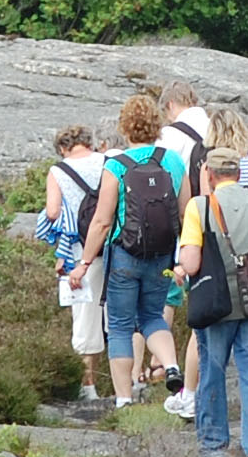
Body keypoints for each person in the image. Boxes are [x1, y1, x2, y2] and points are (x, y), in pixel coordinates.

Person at [177, 109, 248, 457]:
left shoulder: (199, 207)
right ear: (239, 172)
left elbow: (192, 263)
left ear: (208, 173)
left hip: (217, 304)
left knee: (212, 371)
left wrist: (181, 269)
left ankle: (213, 446)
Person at [75, 92, 185, 406]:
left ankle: (124, 399)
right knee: (153, 317)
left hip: (124, 255)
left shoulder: (116, 165)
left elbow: (102, 221)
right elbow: (185, 210)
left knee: (121, 325)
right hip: (163, 255)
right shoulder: (173, 161)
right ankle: (171, 365)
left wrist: (84, 262)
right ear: (157, 125)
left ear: (125, 127)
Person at [156, 82, 216, 418]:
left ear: (172, 104)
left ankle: (169, 370)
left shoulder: (170, 136)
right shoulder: (213, 126)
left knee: (175, 300)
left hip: (185, 228)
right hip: (220, 223)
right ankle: (203, 381)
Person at [41, 123, 112, 400]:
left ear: (62, 148)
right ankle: (130, 384)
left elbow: (52, 211)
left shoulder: (58, 171)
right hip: (115, 245)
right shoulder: (108, 162)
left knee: (85, 317)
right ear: (89, 142)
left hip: (80, 250)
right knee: (120, 315)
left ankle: (88, 387)